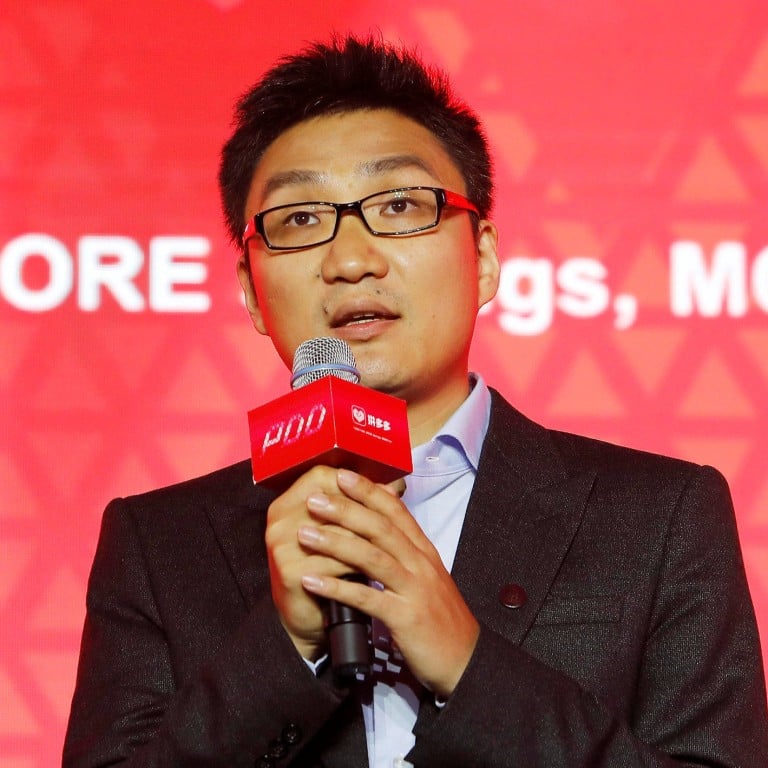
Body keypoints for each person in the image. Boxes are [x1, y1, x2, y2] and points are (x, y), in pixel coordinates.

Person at [63, 35, 768, 767]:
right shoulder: (158, 545)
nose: (351, 259)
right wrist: (283, 648)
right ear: (250, 291)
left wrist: (470, 667)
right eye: (299, 220)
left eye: (400, 205)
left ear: (485, 256)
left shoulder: (660, 517)